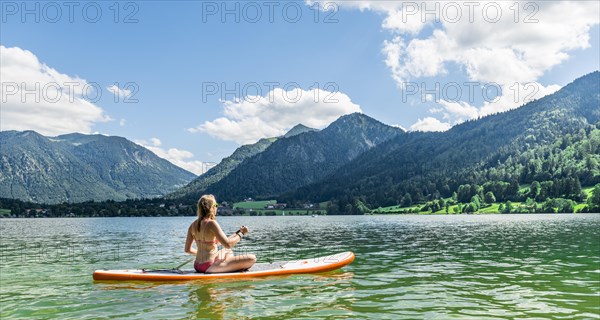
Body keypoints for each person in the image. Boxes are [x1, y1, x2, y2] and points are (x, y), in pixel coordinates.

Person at [185, 194, 256, 273]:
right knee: (252, 258)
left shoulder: (192, 225)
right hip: (208, 267)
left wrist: (238, 232)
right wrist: (242, 234)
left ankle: (228, 266)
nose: (217, 207)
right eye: (216, 205)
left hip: (197, 265)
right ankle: (230, 267)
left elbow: (187, 250)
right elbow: (228, 244)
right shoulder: (211, 224)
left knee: (228, 250)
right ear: (211, 207)